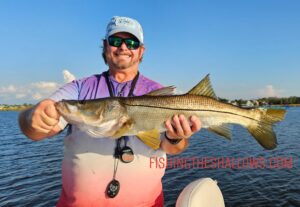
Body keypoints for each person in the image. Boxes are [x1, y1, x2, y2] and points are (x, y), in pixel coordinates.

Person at [19, 16, 201, 207]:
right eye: (116, 41)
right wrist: (32, 116)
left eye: (131, 42)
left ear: (141, 51)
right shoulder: (80, 88)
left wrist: (175, 138)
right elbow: (36, 130)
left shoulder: (159, 93)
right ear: (105, 46)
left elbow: (172, 148)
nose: (123, 47)